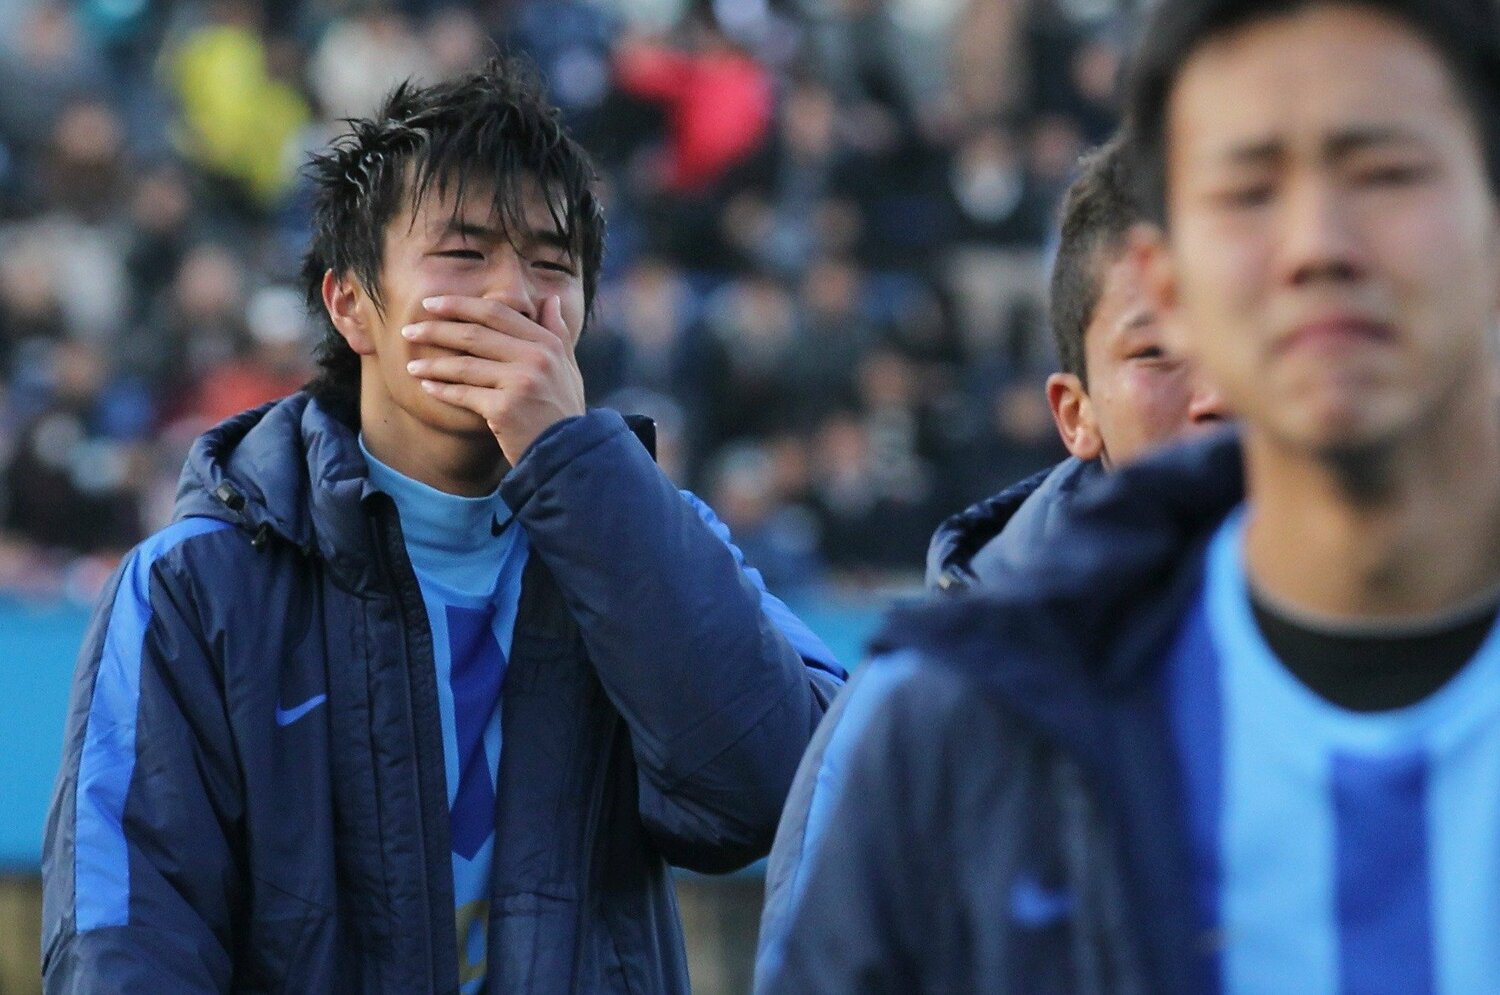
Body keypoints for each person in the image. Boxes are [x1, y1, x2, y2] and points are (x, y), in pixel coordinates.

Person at [42, 58, 845, 993]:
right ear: (351, 304)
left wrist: (573, 465)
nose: (513, 296)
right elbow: (125, 943)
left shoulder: (645, 539)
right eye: (464, 254)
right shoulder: (195, 584)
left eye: (553, 264)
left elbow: (776, 795)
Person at [756, 0, 1500, 991]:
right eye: (1249, 190)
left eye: (1385, 172)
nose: (1317, 243)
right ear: (1166, 278)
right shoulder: (951, 731)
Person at [927, 134, 1227, 591]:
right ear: (1076, 415)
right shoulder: (989, 629)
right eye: (1156, 353)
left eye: (1251, 341)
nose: (1216, 397)